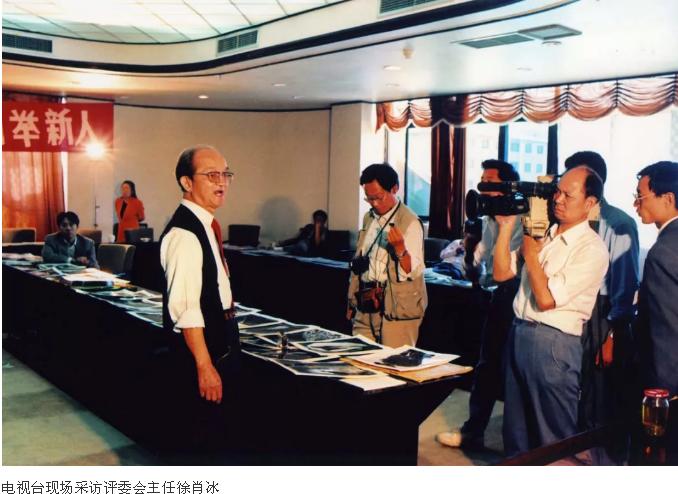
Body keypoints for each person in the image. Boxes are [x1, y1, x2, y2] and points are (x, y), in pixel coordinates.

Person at [494, 167, 608, 457]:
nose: (557, 199)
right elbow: (501, 273)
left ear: (590, 203)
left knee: (553, 441)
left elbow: (546, 300)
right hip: (519, 333)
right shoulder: (545, 234)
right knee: (516, 436)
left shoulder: (591, 249)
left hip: (553, 344)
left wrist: (531, 255)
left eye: (568, 195)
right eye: (557, 191)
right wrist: (506, 228)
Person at [159, 145, 240, 457]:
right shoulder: (185, 234)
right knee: (203, 441)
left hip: (221, 339)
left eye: (225, 174)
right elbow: (187, 310)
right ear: (186, 182)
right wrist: (205, 367)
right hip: (204, 351)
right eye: (211, 175)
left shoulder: (205, 225)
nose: (221, 182)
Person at [437, 159, 523, 449]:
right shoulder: (487, 219)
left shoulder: (522, 217)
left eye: (490, 183)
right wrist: (469, 252)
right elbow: (479, 267)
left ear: (508, 186)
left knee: (515, 371)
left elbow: (510, 268)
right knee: (487, 366)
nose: (483, 188)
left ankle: (518, 445)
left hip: (522, 296)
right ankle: (473, 431)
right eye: (482, 182)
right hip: (499, 297)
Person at [563, 151, 640, 464]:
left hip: (603, 312)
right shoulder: (569, 222)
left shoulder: (619, 223)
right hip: (573, 307)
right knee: (576, 383)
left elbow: (625, 285)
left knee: (600, 389)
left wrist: (611, 333)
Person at [346, 163, 426, 348]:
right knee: (359, 358)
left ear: (394, 189)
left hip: (397, 308)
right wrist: (351, 301)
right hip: (366, 303)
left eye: (378, 197)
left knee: (393, 362)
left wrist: (400, 249)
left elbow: (412, 272)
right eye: (369, 198)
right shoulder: (369, 217)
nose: (374, 203)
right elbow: (360, 261)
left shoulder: (410, 222)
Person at [633, 161, 678, 397]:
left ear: (668, 199)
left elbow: (666, 331)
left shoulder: (663, 252)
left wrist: (664, 394)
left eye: (640, 197)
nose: (636, 204)